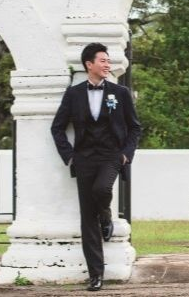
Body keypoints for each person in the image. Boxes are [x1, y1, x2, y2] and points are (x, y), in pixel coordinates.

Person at [51, 43, 142, 291]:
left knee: (102, 189)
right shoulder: (74, 94)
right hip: (84, 159)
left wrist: (126, 155)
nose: (107, 65)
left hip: (111, 156)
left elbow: (135, 128)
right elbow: (57, 128)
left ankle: (106, 215)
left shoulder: (120, 93)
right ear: (88, 64)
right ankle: (95, 275)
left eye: (108, 61)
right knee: (87, 218)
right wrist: (70, 156)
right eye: (103, 60)